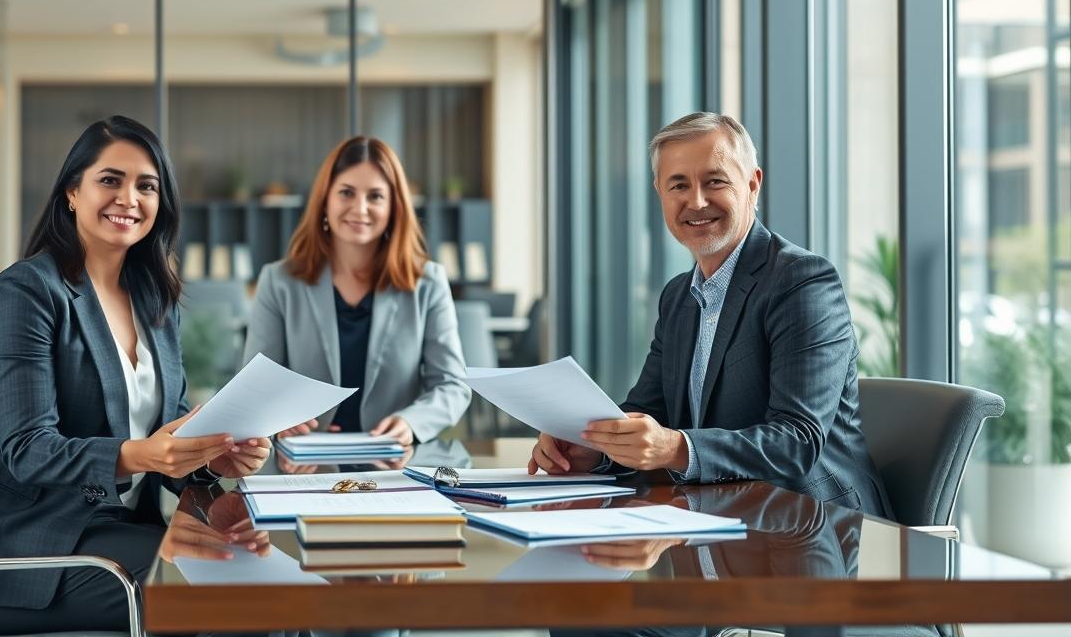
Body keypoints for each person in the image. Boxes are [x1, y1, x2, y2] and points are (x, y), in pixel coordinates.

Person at [0, 116, 268, 634]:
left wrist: (213, 454)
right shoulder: (29, 290)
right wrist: (139, 454)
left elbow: (167, 427)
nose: (129, 198)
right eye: (109, 180)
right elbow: (26, 448)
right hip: (33, 551)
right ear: (72, 191)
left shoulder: (155, 298)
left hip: (122, 533)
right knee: (240, 601)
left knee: (272, 587)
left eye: (147, 186)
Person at [530, 112, 890, 517]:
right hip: (717, 517)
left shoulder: (801, 282)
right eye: (678, 185)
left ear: (752, 184)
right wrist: (593, 449)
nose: (696, 201)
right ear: (660, 193)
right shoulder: (678, 296)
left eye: (715, 181)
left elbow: (797, 442)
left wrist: (675, 447)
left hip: (813, 524)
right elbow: (651, 414)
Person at [243, 135, 470, 447]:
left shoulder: (428, 283)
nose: (359, 208)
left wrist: (410, 423)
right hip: (303, 467)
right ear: (325, 200)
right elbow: (256, 387)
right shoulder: (278, 281)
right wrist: (282, 421)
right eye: (346, 193)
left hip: (394, 465)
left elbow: (452, 386)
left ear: (394, 208)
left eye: (376, 196)